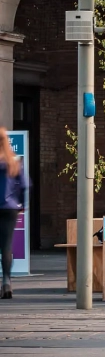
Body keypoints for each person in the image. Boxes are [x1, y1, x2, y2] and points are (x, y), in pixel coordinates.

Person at [0, 128, 29, 300]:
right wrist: (21, 204)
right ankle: (6, 282)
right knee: (6, 245)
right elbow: (25, 185)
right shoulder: (14, 162)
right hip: (10, 207)